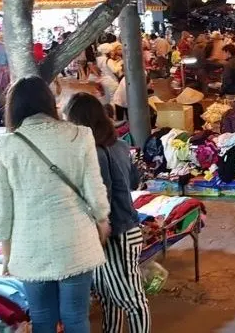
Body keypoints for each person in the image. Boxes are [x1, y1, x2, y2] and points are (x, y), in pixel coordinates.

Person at [0, 76, 111, 333]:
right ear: (49, 102)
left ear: (14, 107)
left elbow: (1, 210)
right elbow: (95, 191)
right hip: (76, 241)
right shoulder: (80, 135)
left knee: (43, 318)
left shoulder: (6, 144)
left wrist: (7, 255)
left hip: (30, 246)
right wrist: (102, 221)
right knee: (76, 316)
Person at [64, 93, 151, 333]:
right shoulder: (119, 145)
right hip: (123, 229)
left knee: (131, 300)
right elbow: (134, 180)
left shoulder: (96, 153)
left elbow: (104, 198)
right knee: (108, 296)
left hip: (115, 234)